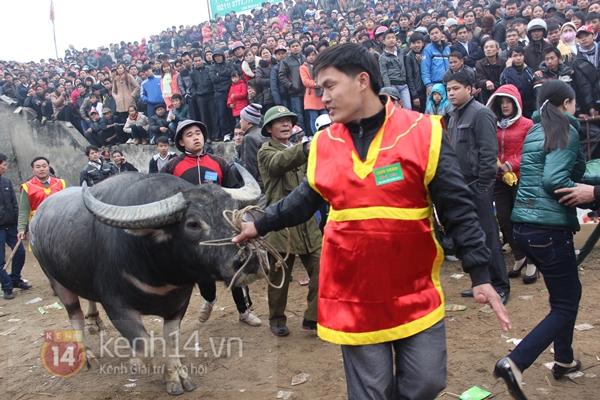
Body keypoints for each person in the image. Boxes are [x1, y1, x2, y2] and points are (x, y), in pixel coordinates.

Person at [233, 43, 510, 400]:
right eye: (319, 89)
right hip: (354, 293)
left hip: (414, 289)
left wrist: (481, 275)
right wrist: (260, 223)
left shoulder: (424, 132)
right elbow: (302, 200)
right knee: (371, 392)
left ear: (362, 80)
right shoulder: (323, 143)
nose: (322, 97)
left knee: (427, 382)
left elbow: (458, 208)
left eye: (329, 86)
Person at [494, 80, 585, 400]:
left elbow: (558, 169)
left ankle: (563, 360)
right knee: (566, 302)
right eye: (574, 103)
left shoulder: (536, 128)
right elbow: (555, 179)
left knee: (564, 295)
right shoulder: (566, 129)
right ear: (566, 103)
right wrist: (587, 196)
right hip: (549, 229)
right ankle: (515, 362)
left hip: (524, 227)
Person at [161, 120, 261, 327]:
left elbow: (234, 190)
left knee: (234, 265)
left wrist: (238, 218)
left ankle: (244, 311)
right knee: (202, 271)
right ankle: (209, 299)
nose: (196, 137)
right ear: (181, 141)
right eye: (189, 135)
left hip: (222, 225)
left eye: (198, 133)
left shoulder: (219, 163)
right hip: (195, 231)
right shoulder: (171, 167)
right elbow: (163, 197)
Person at [446, 71, 510, 305]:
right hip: (460, 184)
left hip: (478, 184)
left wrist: (484, 185)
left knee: (488, 235)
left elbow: (488, 152)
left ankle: (501, 285)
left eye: (456, 88)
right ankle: (480, 283)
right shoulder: (451, 114)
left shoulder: (481, 113)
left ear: (470, 89)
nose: (451, 93)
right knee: (468, 236)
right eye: (448, 90)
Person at [257, 105, 321, 336]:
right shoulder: (265, 151)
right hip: (279, 224)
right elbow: (278, 164)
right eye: (279, 121)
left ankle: (313, 318)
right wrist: (306, 148)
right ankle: (276, 319)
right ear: (269, 128)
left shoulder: (300, 149)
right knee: (279, 277)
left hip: (306, 223)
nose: (285, 124)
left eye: (288, 120)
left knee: (323, 269)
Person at [485, 84, 534, 284]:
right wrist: (496, 164)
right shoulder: (492, 124)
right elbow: (488, 146)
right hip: (498, 179)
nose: (505, 105)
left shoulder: (528, 124)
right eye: (501, 102)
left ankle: (532, 262)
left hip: (521, 178)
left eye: (508, 102)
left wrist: (510, 164)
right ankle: (519, 256)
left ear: (516, 103)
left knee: (523, 219)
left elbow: (531, 151)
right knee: (505, 220)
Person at [17, 157, 66, 242]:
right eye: (38, 167)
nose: (42, 169)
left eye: (44, 166)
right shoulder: (27, 187)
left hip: (58, 223)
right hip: (38, 224)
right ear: (33, 170)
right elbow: (24, 210)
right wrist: (21, 229)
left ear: (49, 167)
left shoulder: (60, 183)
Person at [0, 154, 29, 300]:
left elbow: (14, 204)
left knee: (20, 253)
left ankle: (15, 279)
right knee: (0, 260)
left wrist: (19, 226)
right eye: (4, 165)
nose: (5, 167)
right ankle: (6, 287)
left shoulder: (6, 182)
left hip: (10, 226)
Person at [378, 30, 411, 109]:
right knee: (394, 108)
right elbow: (384, 74)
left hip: (403, 84)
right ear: (384, 41)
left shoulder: (401, 52)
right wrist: (388, 89)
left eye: (393, 37)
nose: (391, 40)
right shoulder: (383, 57)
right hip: (392, 84)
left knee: (408, 107)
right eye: (388, 38)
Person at [499, 47, 535, 118]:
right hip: (515, 107)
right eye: (515, 56)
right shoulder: (506, 73)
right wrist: (509, 68)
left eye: (520, 55)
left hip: (530, 108)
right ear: (509, 58)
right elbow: (517, 85)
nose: (518, 58)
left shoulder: (529, 71)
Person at [300, 46, 327, 135]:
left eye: (313, 55)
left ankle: (326, 134)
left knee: (325, 116)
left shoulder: (321, 65)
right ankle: (316, 135)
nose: (311, 57)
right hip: (311, 95)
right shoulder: (303, 67)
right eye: (309, 55)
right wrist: (318, 84)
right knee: (313, 117)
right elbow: (306, 81)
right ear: (305, 56)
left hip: (322, 94)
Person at [421, 23, 451, 96]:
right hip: (435, 84)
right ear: (429, 36)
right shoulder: (427, 50)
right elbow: (425, 69)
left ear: (441, 33)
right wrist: (428, 84)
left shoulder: (447, 48)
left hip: (449, 83)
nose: (435, 35)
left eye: (436, 33)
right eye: (432, 34)